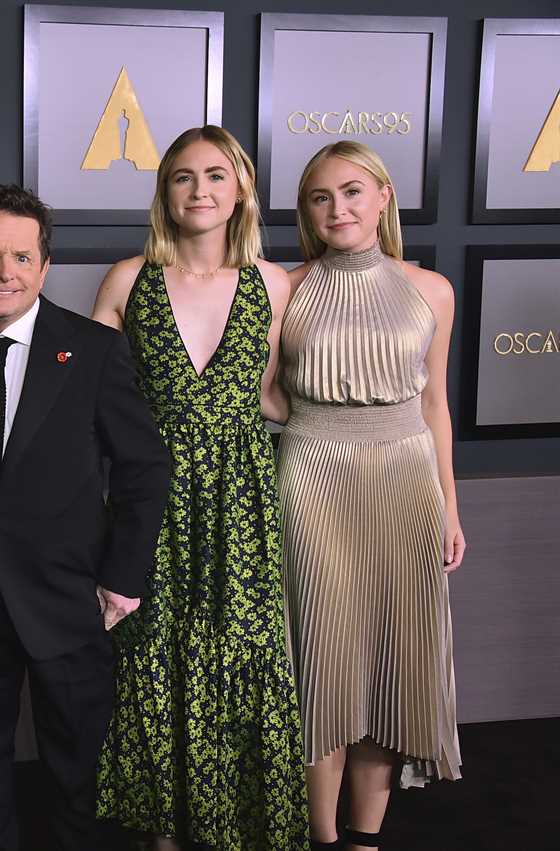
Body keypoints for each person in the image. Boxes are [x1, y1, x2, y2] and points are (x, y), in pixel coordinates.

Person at [0, 183, 171, 851]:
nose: (7, 272)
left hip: (71, 600)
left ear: (44, 265)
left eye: (23, 257)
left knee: (78, 775)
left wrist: (123, 579)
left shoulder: (91, 351)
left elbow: (145, 468)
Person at [90, 125, 308, 850]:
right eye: (183, 176)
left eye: (216, 174)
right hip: (150, 500)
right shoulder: (129, 279)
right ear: (165, 191)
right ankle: (165, 834)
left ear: (241, 186)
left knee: (241, 655)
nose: (200, 190)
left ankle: (232, 830)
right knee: (154, 659)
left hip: (243, 502)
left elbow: (277, 395)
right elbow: (82, 396)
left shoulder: (275, 284)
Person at [278, 140, 464, 851]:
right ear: (308, 212)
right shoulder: (285, 288)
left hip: (407, 480)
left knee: (395, 658)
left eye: (353, 192)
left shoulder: (433, 288)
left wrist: (450, 504)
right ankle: (317, 836)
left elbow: (437, 405)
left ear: (384, 196)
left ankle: (363, 840)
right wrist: (316, 422)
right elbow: (264, 392)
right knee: (321, 658)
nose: (338, 208)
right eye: (321, 198)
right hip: (312, 476)